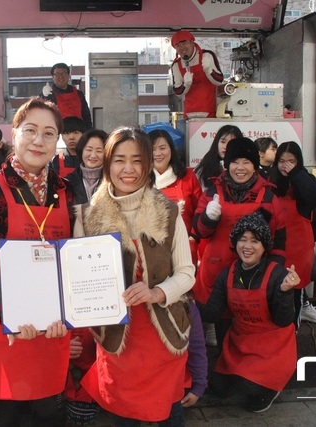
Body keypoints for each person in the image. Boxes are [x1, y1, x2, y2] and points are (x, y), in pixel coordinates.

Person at [75, 127, 196, 426]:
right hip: (117, 341)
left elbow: (187, 273)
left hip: (163, 335)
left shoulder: (169, 211)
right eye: (119, 160)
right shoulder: (86, 216)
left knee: (169, 414)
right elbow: (78, 282)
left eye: (137, 160)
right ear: (106, 164)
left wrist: (157, 292)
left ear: (147, 164)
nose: (128, 169)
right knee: (123, 418)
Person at [0, 98, 74, 426]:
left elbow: (74, 260)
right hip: (6, 326)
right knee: (6, 412)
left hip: (52, 324)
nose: (39, 141)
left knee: (47, 411)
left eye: (49, 133)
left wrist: (71, 311)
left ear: (58, 142)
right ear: (14, 134)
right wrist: (11, 316)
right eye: (31, 130)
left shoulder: (65, 191)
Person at [198, 210, 299, 413]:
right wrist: (186, 301)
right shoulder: (228, 274)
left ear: (264, 247)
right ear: (235, 243)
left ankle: (271, 388)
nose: (247, 246)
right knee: (218, 388)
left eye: (255, 241)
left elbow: (284, 320)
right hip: (240, 342)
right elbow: (212, 314)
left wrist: (286, 292)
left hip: (273, 347)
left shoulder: (277, 274)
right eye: (242, 239)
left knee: (249, 392)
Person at [192, 137, 286, 348]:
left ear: (255, 165)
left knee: (249, 334)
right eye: (235, 162)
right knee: (220, 335)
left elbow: (279, 242)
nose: (240, 168)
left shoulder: (269, 198)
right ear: (227, 164)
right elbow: (198, 231)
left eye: (246, 162)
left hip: (254, 278)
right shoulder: (212, 193)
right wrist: (208, 218)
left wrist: (273, 279)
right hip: (215, 274)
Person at [269, 141, 316, 327]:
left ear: (298, 162)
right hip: (274, 245)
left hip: (299, 248)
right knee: (272, 290)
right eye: (281, 161)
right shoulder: (270, 181)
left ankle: (292, 331)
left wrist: (296, 174)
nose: (285, 165)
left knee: (293, 292)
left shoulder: (305, 179)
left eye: (291, 161)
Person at [150, 128, 202, 263]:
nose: (158, 153)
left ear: (171, 150)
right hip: (153, 248)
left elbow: (200, 210)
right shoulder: (141, 180)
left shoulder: (188, 176)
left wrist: (193, 237)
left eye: (162, 148)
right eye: (152, 149)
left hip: (185, 245)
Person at [170, 30, 223, 119]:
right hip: (189, 114)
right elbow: (177, 92)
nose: (181, 47)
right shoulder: (176, 65)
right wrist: (185, 85)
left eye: (184, 43)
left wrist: (209, 71)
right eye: (177, 45)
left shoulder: (207, 55)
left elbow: (220, 81)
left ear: (192, 42)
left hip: (211, 111)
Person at [40, 62, 93, 129]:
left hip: (79, 133)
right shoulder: (47, 96)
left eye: (64, 73)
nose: (61, 76)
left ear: (68, 75)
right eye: (57, 74)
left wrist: (89, 133)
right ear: (53, 77)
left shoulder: (79, 94)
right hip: (58, 134)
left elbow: (86, 116)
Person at [194, 125, 243, 190]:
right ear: (217, 142)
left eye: (231, 143)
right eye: (223, 142)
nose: (226, 146)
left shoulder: (243, 168)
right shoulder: (204, 168)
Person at [66, 128, 108, 204]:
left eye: (99, 151)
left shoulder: (111, 181)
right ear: (81, 150)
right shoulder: (68, 182)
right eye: (89, 150)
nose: (93, 155)